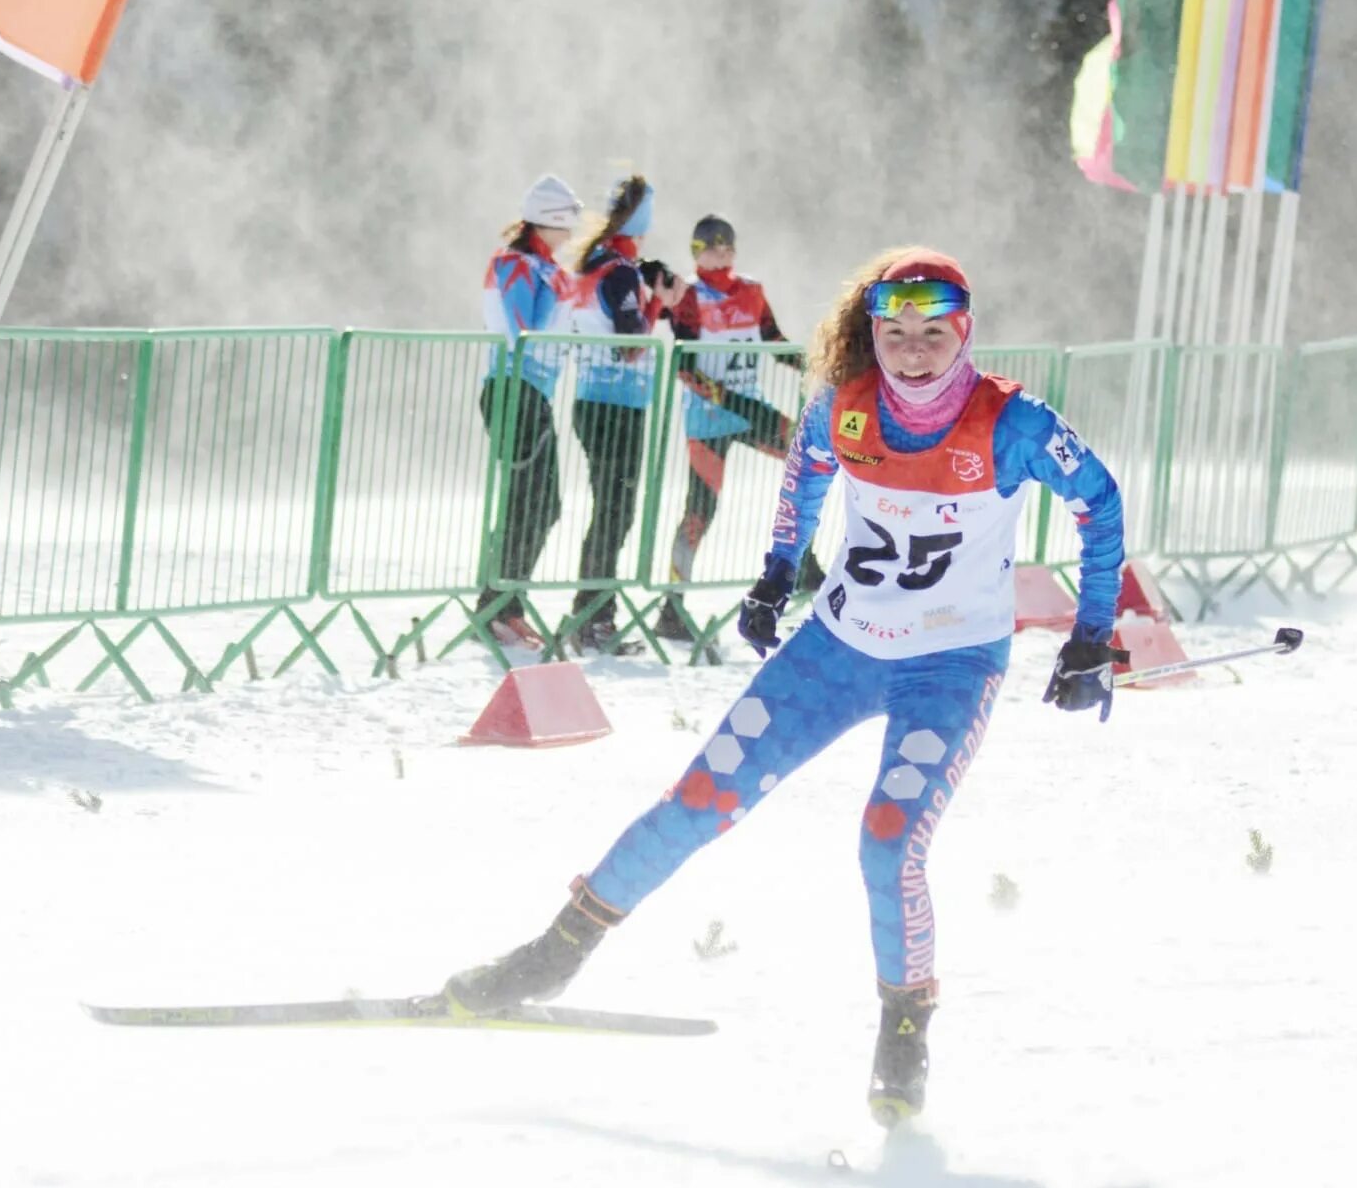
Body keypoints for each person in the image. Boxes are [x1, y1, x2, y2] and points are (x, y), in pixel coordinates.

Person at [443, 248, 1128, 1127]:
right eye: (893, 333)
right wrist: (776, 573)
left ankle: (905, 1023)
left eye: (932, 333)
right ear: (871, 333)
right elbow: (803, 475)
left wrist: (1091, 637)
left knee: (888, 843)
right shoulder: (847, 410)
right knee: (695, 802)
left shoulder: (1014, 425)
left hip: (949, 670)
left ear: (964, 331)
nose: (912, 352)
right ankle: (551, 954)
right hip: (836, 650)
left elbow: (1099, 505)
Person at [654, 214, 825, 642]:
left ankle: (805, 565)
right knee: (701, 510)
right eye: (712, 245)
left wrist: (816, 366)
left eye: (729, 243)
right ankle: (671, 607)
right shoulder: (690, 296)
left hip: (750, 409)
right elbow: (684, 365)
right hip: (710, 417)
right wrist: (726, 398)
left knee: (805, 460)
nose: (723, 250)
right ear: (696, 251)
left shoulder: (750, 290)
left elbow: (772, 340)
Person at [555, 174, 686, 654]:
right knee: (615, 514)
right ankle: (592, 619)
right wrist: (661, 304)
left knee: (610, 513)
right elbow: (632, 344)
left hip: (596, 400)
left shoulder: (595, 262)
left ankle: (591, 615)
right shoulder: (620, 271)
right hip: (616, 405)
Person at [476, 174, 584, 647]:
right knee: (531, 501)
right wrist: (560, 293)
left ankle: (502, 602)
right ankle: (498, 605)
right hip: (512, 389)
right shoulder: (515, 265)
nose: (574, 233)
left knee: (542, 503)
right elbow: (525, 329)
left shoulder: (546, 268)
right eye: (569, 222)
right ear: (551, 221)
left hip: (533, 391)